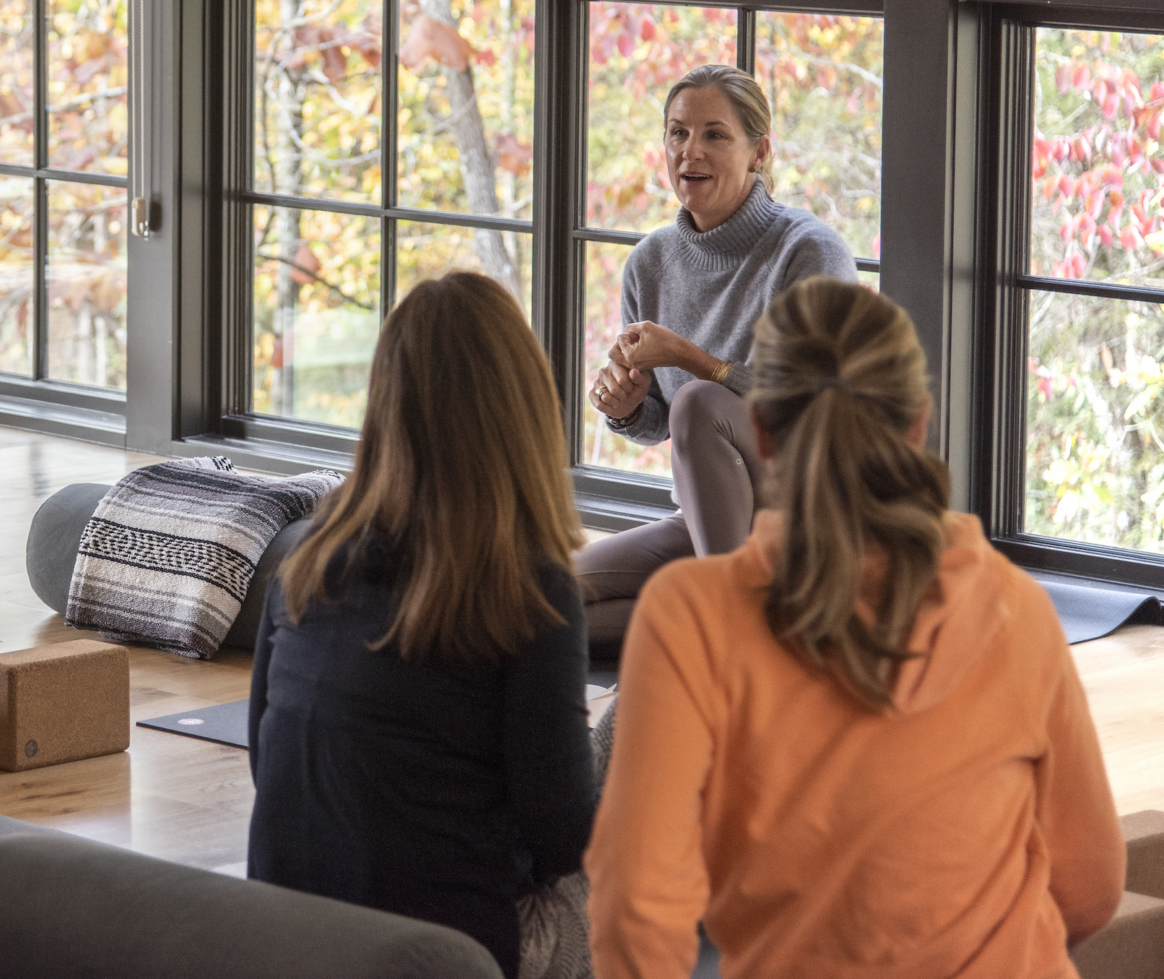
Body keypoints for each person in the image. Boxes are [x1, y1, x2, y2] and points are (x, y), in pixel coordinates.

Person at [586, 278, 1124, 979]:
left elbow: (636, 912)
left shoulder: (689, 615)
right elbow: (1090, 887)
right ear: (919, 426)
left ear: (762, 434)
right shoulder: (1016, 608)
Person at [247, 272, 595, 979]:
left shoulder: (306, 561)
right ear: (524, 408)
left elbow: (265, 758)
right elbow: (568, 844)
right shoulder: (531, 593)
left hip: (286, 938)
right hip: (446, 959)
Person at [577, 64, 855, 653]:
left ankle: (737, 627)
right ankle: (741, 626)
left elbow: (810, 403)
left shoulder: (810, 251)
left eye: (714, 135)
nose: (690, 151)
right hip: (714, 520)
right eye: (677, 133)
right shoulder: (650, 262)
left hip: (807, 516)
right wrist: (626, 409)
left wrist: (687, 356)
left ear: (759, 152)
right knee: (549, 598)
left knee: (703, 402)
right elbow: (661, 422)